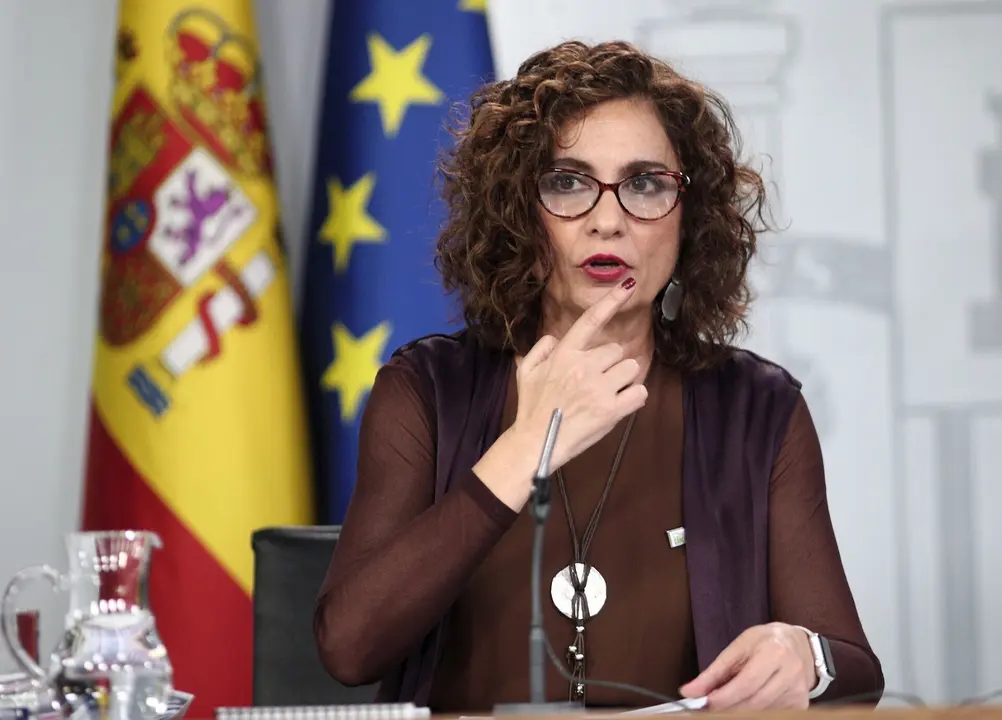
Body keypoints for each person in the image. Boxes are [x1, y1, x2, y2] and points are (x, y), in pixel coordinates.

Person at [313, 39, 884, 713]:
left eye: (645, 184)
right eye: (568, 182)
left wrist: (802, 657)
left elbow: (856, 674)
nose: (608, 219)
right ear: (518, 212)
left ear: (687, 217)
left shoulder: (757, 409)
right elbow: (348, 648)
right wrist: (525, 446)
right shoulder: (427, 390)